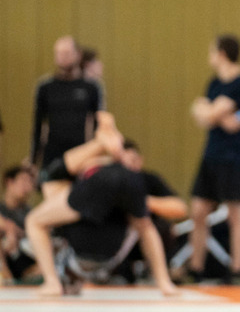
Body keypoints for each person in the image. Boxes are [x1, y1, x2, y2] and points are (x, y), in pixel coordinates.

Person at [23, 113, 178, 297]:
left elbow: (178, 208)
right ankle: (165, 283)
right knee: (144, 224)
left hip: (96, 197)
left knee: (36, 215)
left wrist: (144, 203)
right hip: (105, 230)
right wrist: (136, 206)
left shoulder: (142, 178)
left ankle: (51, 282)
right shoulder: (137, 178)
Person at [187, 35, 240, 283]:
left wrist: (211, 112)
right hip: (210, 155)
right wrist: (217, 114)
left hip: (232, 158)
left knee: (235, 212)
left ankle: (237, 269)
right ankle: (196, 268)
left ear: (222, 54)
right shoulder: (214, 83)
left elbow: (212, 114)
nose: (210, 56)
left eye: (212, 51)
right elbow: (205, 115)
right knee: (198, 211)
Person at [31, 36, 103, 198]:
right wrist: (33, 161)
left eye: (66, 53)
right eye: (58, 53)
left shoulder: (91, 87)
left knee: (80, 200)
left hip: (80, 155)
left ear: (77, 55)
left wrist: (94, 156)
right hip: (52, 156)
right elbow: (37, 126)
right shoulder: (46, 87)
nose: (62, 57)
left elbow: (98, 124)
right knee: (52, 200)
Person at [1, 165, 38, 284]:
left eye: (29, 182)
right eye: (23, 180)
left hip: (22, 258)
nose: (27, 186)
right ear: (10, 182)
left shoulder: (28, 212)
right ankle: (5, 276)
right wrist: (8, 228)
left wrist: (16, 233)